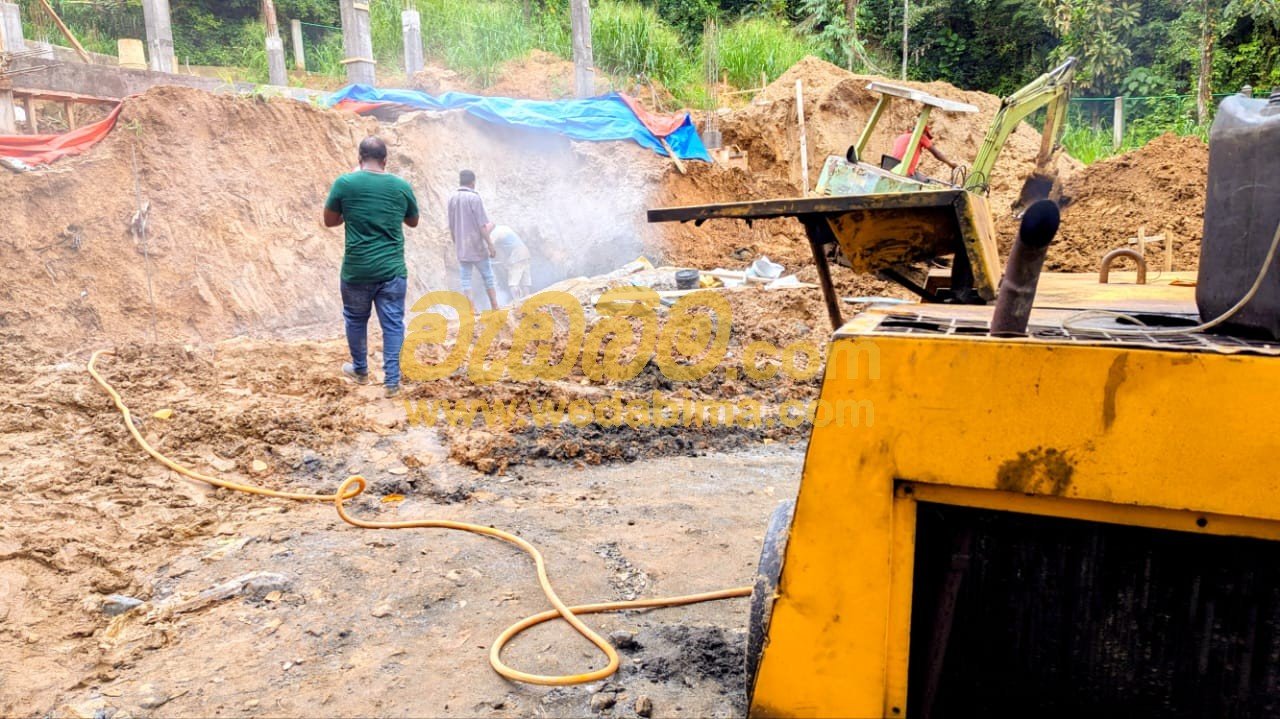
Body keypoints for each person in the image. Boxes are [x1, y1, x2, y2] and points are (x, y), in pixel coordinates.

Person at [323, 136, 419, 398]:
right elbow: (412, 222)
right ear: (386, 161)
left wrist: (352, 212)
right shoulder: (400, 186)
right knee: (392, 324)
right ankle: (392, 382)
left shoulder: (345, 183)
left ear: (359, 159)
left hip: (357, 270)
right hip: (392, 270)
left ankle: (361, 370)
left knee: (355, 319)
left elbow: (330, 221)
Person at [447, 169, 499, 311]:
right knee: (488, 276)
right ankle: (495, 307)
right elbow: (482, 226)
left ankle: (472, 310)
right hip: (477, 246)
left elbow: (451, 226)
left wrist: (456, 244)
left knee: (465, 280)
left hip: (462, 247)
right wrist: (490, 245)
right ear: (473, 182)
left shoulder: (452, 199)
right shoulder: (474, 198)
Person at [890, 122, 958, 180]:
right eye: (926, 136)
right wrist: (951, 164)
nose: (927, 139)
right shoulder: (920, 136)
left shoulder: (902, 136)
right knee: (929, 183)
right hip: (905, 172)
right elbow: (937, 154)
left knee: (921, 177)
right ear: (923, 132)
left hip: (892, 168)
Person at [490, 225, 532, 302]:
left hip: (517, 254)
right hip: (525, 252)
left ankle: (517, 301)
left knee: (513, 283)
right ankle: (527, 298)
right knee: (525, 280)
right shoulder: (505, 228)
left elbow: (490, 246)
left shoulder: (494, 233)